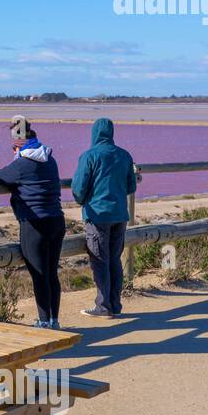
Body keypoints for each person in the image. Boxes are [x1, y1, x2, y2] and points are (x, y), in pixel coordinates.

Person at [0, 120, 65, 329]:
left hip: (34, 223)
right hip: (56, 220)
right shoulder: (50, 159)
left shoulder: (22, 163)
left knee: (39, 273)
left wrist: (16, 158)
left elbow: (1, 177)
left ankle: (43, 321)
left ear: (18, 146)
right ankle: (54, 319)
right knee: (52, 272)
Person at [70, 117, 138, 318]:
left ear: (94, 133)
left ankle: (103, 306)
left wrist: (82, 200)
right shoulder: (124, 155)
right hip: (120, 214)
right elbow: (131, 186)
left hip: (98, 214)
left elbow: (79, 188)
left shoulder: (89, 156)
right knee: (114, 259)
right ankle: (115, 304)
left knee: (100, 260)